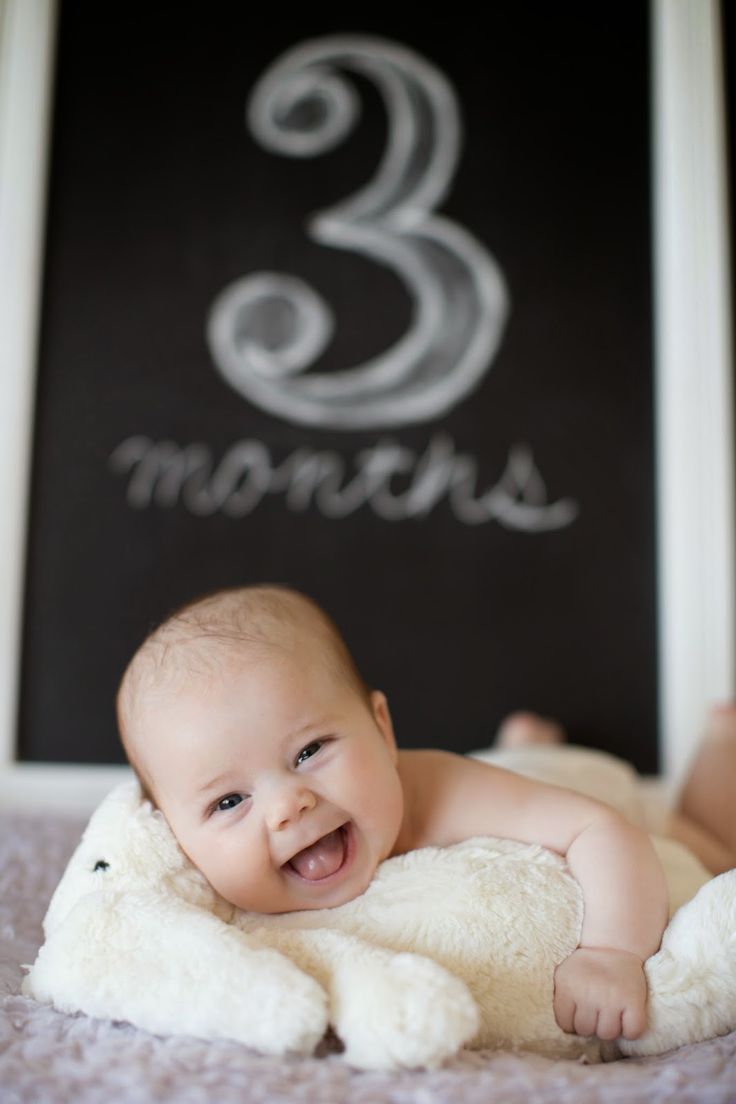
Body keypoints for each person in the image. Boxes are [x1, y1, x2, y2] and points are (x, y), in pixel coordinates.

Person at [116, 584, 736, 1045]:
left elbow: (601, 829)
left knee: (704, 849)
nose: (286, 805)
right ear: (171, 831)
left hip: (559, 787)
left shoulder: (438, 792)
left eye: (310, 751)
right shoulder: (193, 884)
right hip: (504, 773)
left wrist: (611, 953)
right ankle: (523, 741)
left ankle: (718, 741)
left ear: (381, 729)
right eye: (228, 802)